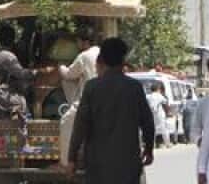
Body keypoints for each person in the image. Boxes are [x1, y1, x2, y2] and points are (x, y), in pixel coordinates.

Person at [66, 38, 156, 184]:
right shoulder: (134, 88)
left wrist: (72, 159)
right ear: (123, 60)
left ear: (101, 60)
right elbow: (148, 122)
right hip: (128, 165)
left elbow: (80, 126)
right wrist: (149, 149)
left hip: (98, 166)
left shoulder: (92, 88)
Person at [0, 23, 37, 142]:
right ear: (13, 40)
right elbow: (21, 73)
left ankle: (16, 123)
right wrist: (36, 72)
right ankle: (24, 134)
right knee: (21, 102)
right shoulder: (7, 56)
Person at [58, 28, 100, 166]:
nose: (77, 44)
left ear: (85, 42)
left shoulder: (84, 56)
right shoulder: (101, 52)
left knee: (65, 122)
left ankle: (65, 164)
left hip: (88, 102)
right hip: (104, 100)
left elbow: (69, 74)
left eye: (78, 41)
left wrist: (61, 67)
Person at [147, 81, 171, 148]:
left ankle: (152, 144)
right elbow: (166, 103)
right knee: (164, 129)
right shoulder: (160, 96)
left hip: (151, 114)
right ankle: (167, 144)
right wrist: (168, 112)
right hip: (160, 115)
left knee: (152, 130)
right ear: (158, 89)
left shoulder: (148, 96)